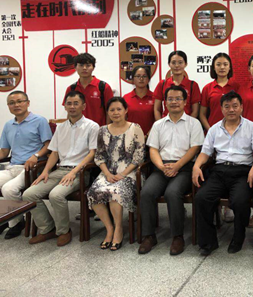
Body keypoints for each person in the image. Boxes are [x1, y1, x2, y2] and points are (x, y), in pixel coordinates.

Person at [22, 91, 99, 246]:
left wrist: (74, 172)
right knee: (29, 194)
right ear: (65, 106)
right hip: (59, 170)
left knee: (56, 195)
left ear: (83, 106)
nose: (72, 107)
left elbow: (92, 154)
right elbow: (54, 153)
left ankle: (64, 231)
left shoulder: (92, 126)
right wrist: (45, 171)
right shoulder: (61, 127)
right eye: (69, 103)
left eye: (76, 103)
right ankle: (47, 228)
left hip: (80, 172)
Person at [193, 91, 253, 256]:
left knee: (240, 201)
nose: (231, 110)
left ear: (241, 107)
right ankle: (208, 242)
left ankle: (238, 238)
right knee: (202, 198)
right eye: (227, 106)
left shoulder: (252, 127)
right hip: (219, 171)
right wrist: (196, 166)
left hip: (242, 171)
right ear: (221, 109)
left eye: (235, 106)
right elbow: (205, 152)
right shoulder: (214, 129)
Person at [0, 91, 52, 239]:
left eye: (20, 101)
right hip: (12, 167)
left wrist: (36, 156)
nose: (16, 105)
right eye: (12, 103)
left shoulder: (39, 121)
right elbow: (4, 152)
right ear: (8, 106)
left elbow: (49, 145)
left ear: (28, 103)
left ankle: (16, 223)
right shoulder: (8, 125)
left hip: (32, 168)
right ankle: (0, 220)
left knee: (9, 189)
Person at [139, 85, 204, 256]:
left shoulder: (194, 123)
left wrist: (177, 166)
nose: (174, 102)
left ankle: (177, 236)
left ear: (185, 102)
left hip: (184, 168)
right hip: (162, 167)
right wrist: (161, 166)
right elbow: (153, 149)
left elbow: (195, 148)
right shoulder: (158, 124)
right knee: (146, 192)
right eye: (170, 99)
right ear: (165, 102)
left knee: (172, 193)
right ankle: (149, 235)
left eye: (178, 99)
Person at [87, 97, 145, 251]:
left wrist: (123, 174)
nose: (115, 112)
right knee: (94, 192)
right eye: (112, 110)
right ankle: (109, 228)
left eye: (119, 109)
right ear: (107, 112)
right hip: (108, 172)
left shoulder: (135, 128)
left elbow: (139, 156)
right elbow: (99, 156)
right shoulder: (102, 130)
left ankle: (118, 229)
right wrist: (107, 174)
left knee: (115, 192)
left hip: (129, 172)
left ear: (126, 110)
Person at [63, 52, 114, 127]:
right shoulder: (71, 89)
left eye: (88, 65)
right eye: (81, 65)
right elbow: (69, 112)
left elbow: (110, 111)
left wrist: (106, 130)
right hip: (77, 131)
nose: (84, 68)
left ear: (93, 67)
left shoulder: (103, 87)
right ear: (75, 67)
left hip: (99, 130)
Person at [153, 51, 201, 120]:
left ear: (185, 64)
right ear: (169, 64)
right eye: (173, 63)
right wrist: (161, 124)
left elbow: (195, 111)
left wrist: (188, 124)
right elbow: (156, 109)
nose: (177, 65)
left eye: (180, 62)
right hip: (166, 123)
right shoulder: (162, 84)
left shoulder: (193, 85)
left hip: (186, 123)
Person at [199, 52, 240, 131]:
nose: (222, 67)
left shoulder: (237, 87)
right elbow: (202, 114)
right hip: (213, 130)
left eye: (225, 64)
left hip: (234, 130)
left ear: (230, 67)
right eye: (218, 64)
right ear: (214, 67)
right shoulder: (207, 88)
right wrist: (210, 130)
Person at [124, 66, 155, 136]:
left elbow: (158, 120)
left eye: (144, 76)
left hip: (151, 137)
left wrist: (147, 135)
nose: (141, 79)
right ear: (133, 79)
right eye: (138, 76)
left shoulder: (155, 97)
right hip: (130, 137)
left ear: (148, 79)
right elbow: (123, 120)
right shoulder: (126, 98)